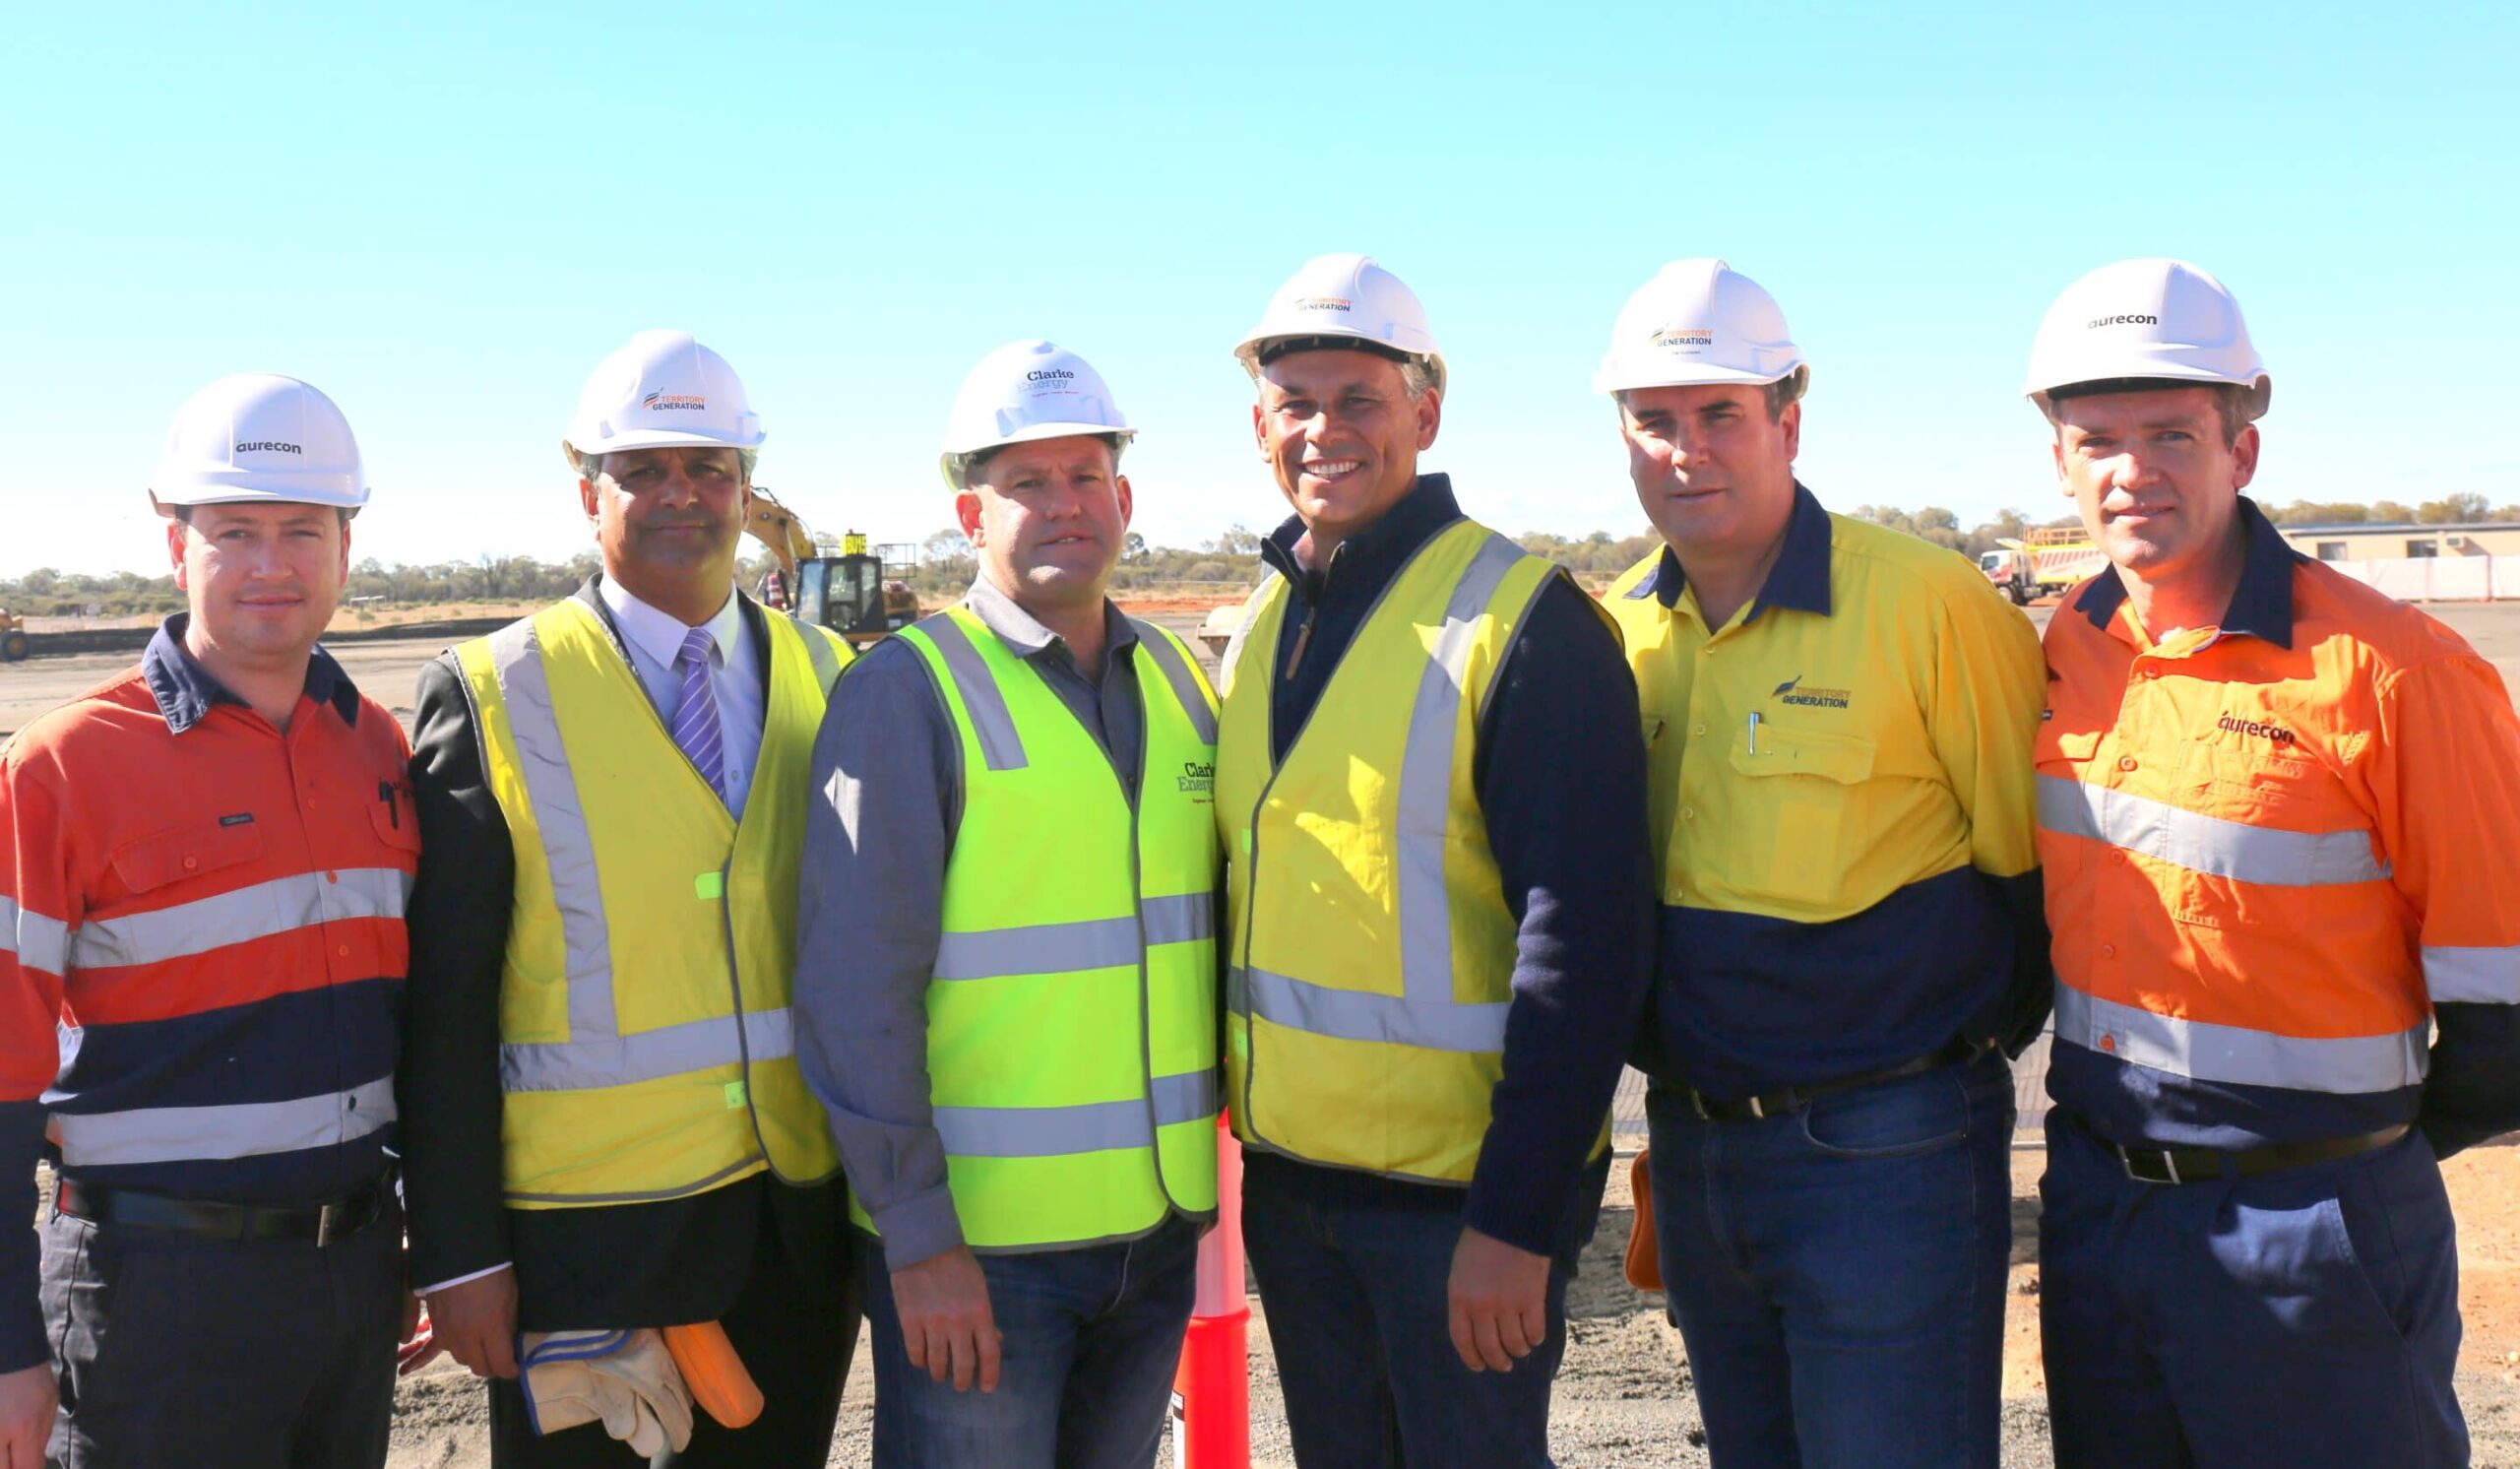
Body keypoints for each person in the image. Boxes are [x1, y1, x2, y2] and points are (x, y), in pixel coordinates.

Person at [2026, 258, 2520, 1468]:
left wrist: (2353, 1154)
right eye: (2095, 440)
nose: (2128, 471)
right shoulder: (2067, 644)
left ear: (2241, 446)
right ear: (2058, 461)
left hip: (2313, 1225)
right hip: (2099, 1212)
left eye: (2168, 435)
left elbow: (2506, 1009)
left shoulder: (2395, 670)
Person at [1596, 258, 2048, 1467]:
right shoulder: (1615, 631)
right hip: (1692, 1148)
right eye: (1654, 422)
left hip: (1885, 1153)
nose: (1687, 450)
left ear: (1787, 418)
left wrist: (1906, 1060)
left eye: (1721, 416)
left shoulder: (1930, 604)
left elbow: (2031, 883)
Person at [1214, 254, 1653, 1466]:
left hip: (1459, 1209)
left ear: (1425, 411)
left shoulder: (1524, 622)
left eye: (1358, 398)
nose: (1323, 430)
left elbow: (1584, 946)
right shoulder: (1259, 625)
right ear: (1260, 424)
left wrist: (1514, 1221)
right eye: (1295, 402)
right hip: (1298, 1191)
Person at [399, 330, 860, 1466]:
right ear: (586, 490)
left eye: (707, 468)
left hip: (792, 1227)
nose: (679, 495)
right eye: (642, 469)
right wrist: (459, 1255)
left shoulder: (830, 672)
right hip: (584, 1246)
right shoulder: (493, 689)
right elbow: (443, 1004)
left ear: (748, 489)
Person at [796, 340, 1220, 1468]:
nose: (1062, 504)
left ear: (1122, 497)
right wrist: (918, 1240)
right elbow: (852, 991)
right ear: (966, 514)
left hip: (1156, 1230)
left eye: (1083, 475)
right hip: (983, 1255)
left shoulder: (1181, 683)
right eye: (1025, 482)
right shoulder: (903, 692)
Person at [0, 373, 426, 1468]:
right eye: (233, 529)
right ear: (174, 543)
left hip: (353, 1278)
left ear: (347, 544)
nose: (271, 563)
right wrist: (7, 1345)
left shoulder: (382, 747)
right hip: (153, 1300)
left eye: (301, 529)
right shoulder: (58, 770)